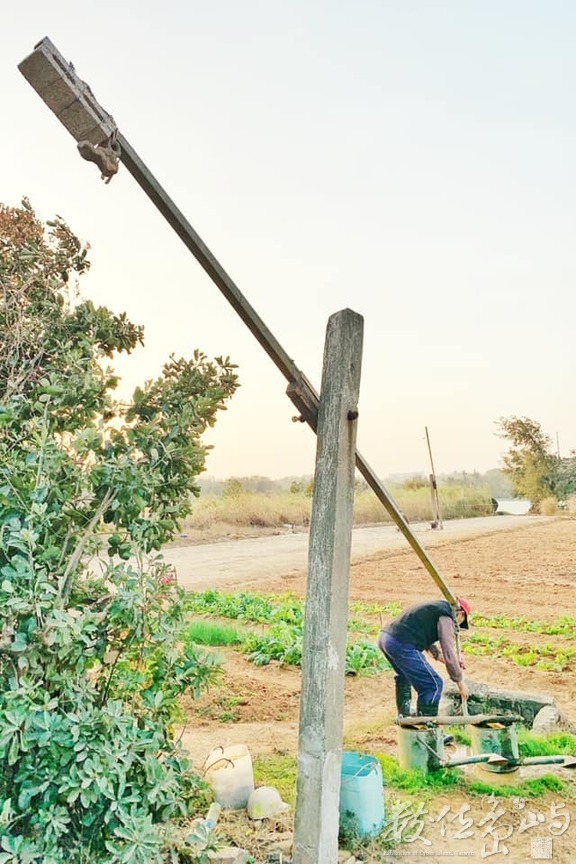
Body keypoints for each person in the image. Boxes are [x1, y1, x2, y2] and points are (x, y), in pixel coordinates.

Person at [378, 597, 471, 719]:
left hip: (387, 639)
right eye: (460, 622)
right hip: (402, 643)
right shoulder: (446, 617)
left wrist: (453, 662)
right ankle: (427, 730)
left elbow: (431, 647)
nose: (457, 626)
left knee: (404, 676)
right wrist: (460, 682)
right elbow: (448, 650)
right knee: (433, 685)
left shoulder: (435, 608)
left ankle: (404, 718)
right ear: (460, 614)